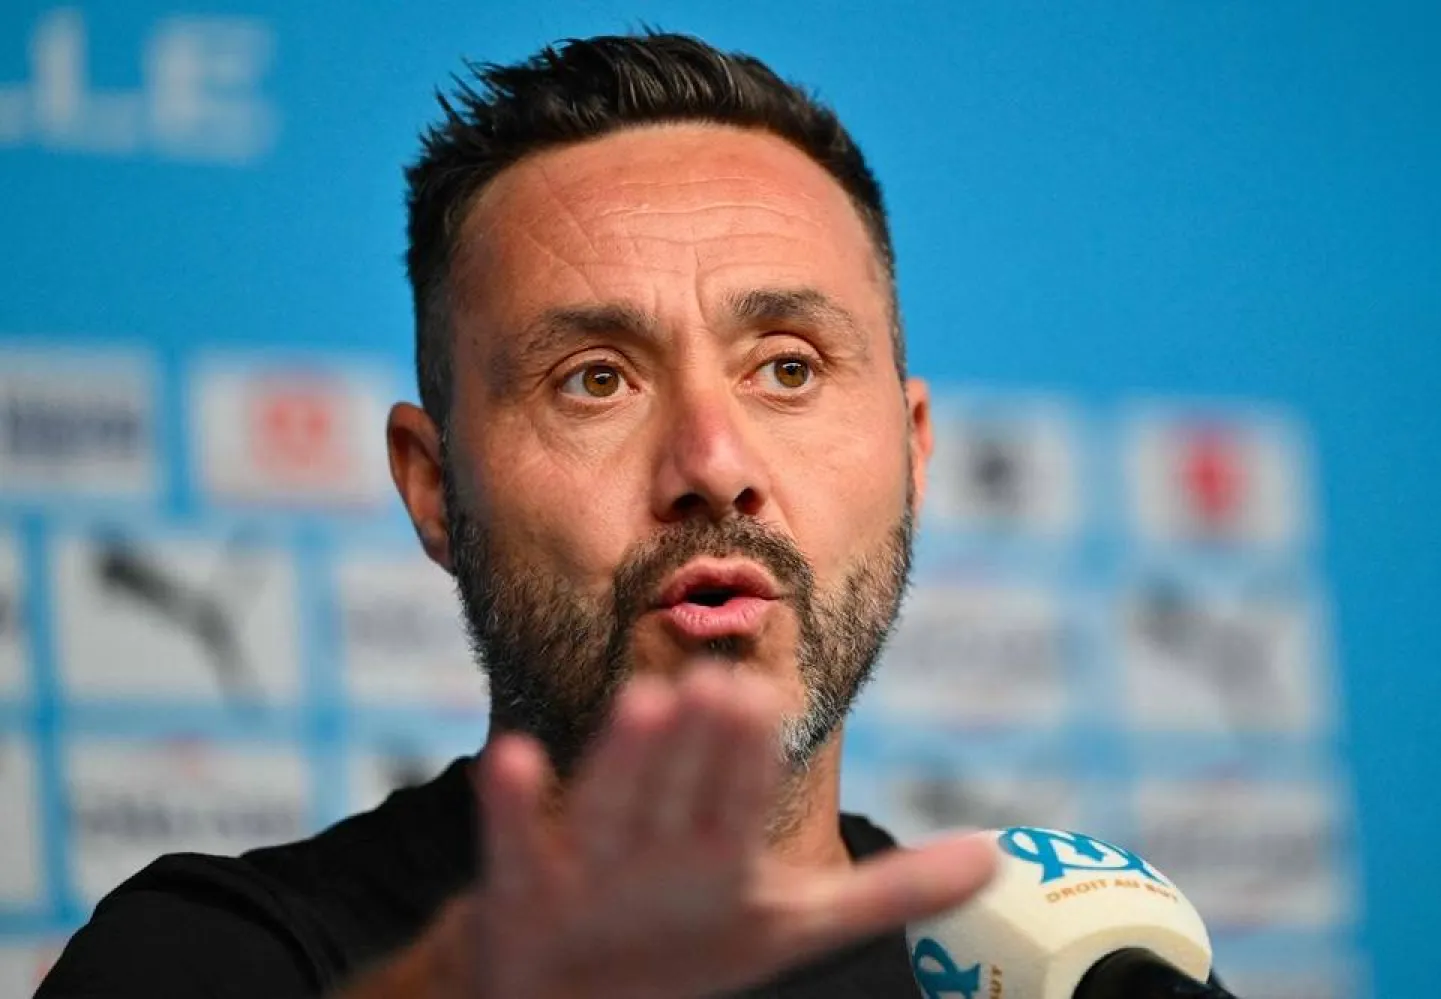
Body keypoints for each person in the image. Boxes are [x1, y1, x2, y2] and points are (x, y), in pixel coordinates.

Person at [36, 31, 996, 999]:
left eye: (788, 367)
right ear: (433, 487)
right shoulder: (216, 969)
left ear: (913, 451)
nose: (713, 464)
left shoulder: (1037, 974)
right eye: (596, 381)